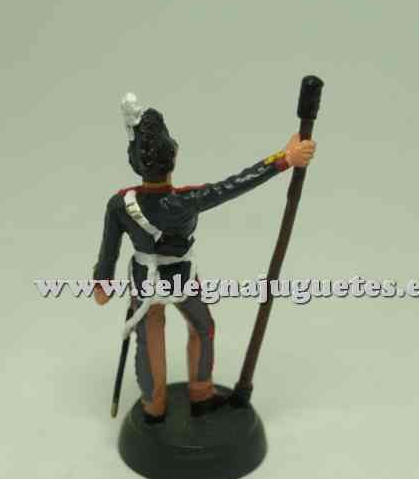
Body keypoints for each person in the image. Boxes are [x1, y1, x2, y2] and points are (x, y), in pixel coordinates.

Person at [93, 93, 316, 423]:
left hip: (146, 282)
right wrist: (283, 159)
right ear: (173, 156)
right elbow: (237, 184)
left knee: (150, 341)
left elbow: (108, 251)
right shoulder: (188, 199)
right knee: (203, 328)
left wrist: (102, 284)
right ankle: (199, 394)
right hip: (181, 277)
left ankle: (156, 406)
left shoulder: (120, 204)